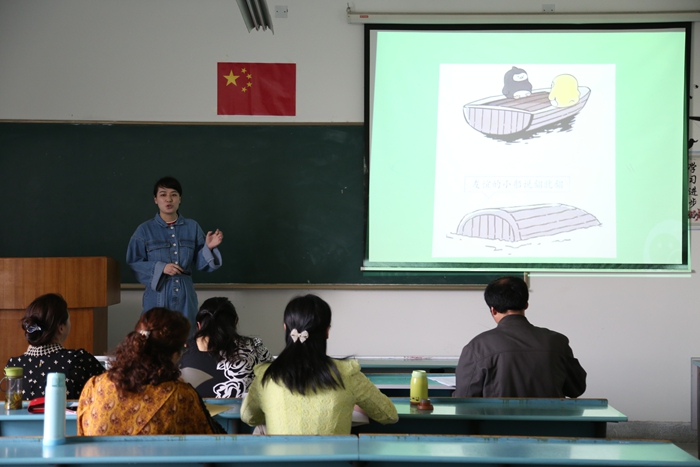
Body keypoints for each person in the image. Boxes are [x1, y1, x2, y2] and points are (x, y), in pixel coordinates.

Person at [240, 294, 398, 434]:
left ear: (285, 328)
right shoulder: (347, 373)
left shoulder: (267, 374)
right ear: (327, 331)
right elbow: (389, 415)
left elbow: (248, 417)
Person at [77, 307, 225, 435]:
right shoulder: (181, 396)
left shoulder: (95, 386)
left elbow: (82, 437)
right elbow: (209, 441)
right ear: (173, 355)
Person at [454, 276, 587, 398]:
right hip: (550, 418)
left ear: (493, 310)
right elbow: (577, 389)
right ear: (526, 305)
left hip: (496, 418)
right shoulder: (557, 341)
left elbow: (463, 399)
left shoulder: (477, 347)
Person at [126, 176, 224, 328]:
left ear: (180, 199)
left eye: (173, 194)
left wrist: (208, 247)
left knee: (187, 335)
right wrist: (161, 268)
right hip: (157, 294)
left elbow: (202, 264)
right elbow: (134, 263)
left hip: (185, 294)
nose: (168, 199)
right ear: (155, 199)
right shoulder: (144, 230)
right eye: (163, 194)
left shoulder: (192, 227)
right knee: (155, 335)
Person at [5, 293, 104, 400]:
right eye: (69, 319)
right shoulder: (78, 360)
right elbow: (110, 389)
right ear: (61, 328)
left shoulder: (13, 365)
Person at [179, 297, 273, 398]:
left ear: (199, 325)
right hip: (240, 408)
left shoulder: (178, 350)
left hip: (188, 408)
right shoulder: (254, 347)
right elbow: (275, 383)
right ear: (235, 322)